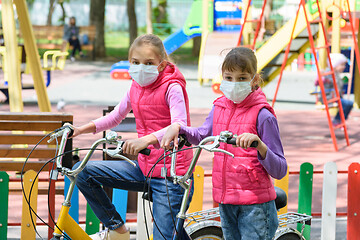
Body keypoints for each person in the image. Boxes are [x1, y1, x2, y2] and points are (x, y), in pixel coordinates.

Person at [71, 34, 193, 240]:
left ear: (161, 65)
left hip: (171, 176)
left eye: (149, 63)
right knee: (82, 172)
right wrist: (81, 129)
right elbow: (115, 116)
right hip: (145, 169)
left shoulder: (172, 87)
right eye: (135, 62)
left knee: (166, 235)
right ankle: (117, 228)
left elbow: (179, 124)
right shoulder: (135, 87)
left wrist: (144, 140)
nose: (141, 67)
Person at [161, 47, 288, 240]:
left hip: (255, 205)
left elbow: (280, 169)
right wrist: (179, 128)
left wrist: (260, 146)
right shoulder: (218, 107)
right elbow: (202, 134)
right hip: (226, 201)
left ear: (254, 80)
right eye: (228, 78)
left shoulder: (263, 115)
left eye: (242, 78)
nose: (234, 83)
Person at [315, 53, 353, 127]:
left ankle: (340, 120)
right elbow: (320, 81)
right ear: (335, 64)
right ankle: (337, 120)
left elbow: (338, 84)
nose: (344, 67)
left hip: (335, 97)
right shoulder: (328, 73)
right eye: (341, 65)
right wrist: (322, 78)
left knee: (349, 103)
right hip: (328, 97)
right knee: (346, 103)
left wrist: (344, 80)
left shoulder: (336, 73)